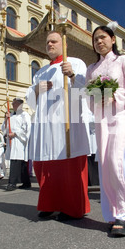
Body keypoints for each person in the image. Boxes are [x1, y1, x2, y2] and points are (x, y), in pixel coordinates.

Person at [86, 24, 125, 236]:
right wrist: (96, 96)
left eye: (103, 37)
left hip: (121, 115)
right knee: (105, 164)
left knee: (116, 161)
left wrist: (115, 96)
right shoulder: (91, 69)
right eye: (95, 40)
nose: (99, 42)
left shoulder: (123, 60)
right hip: (102, 118)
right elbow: (88, 98)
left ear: (113, 40)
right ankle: (114, 212)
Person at [25, 31, 91, 221]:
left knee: (67, 167)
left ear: (64, 44)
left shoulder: (76, 63)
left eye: (54, 41)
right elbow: (31, 100)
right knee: (46, 166)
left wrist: (71, 75)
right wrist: (36, 89)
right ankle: (49, 204)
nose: (50, 45)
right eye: (47, 42)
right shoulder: (40, 72)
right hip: (45, 126)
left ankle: (71, 207)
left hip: (67, 123)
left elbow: (86, 90)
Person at [2, 98, 31, 191]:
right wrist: (6, 119)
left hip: (20, 142)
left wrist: (16, 133)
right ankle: (26, 182)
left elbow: (27, 129)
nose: (13, 105)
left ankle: (12, 183)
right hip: (12, 142)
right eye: (13, 104)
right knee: (21, 164)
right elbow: (4, 129)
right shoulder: (11, 116)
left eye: (14, 104)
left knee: (16, 162)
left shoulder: (25, 115)